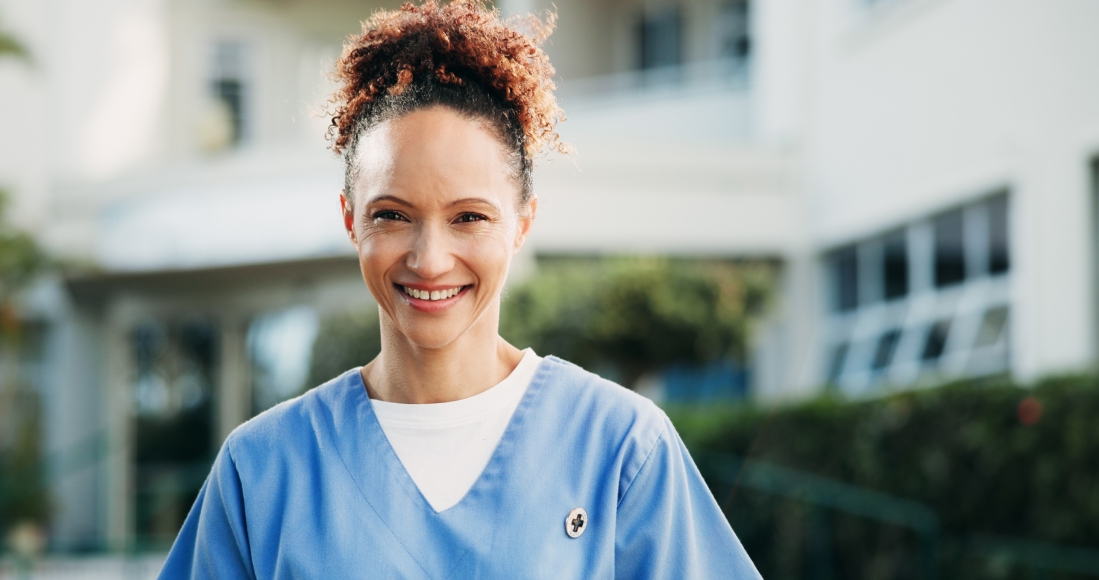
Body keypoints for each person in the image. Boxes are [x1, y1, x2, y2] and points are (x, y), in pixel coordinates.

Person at [159, 1, 760, 577]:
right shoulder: (263, 469)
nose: (429, 259)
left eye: (469, 217)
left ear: (522, 221)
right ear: (350, 219)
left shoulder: (622, 448)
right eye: (392, 215)